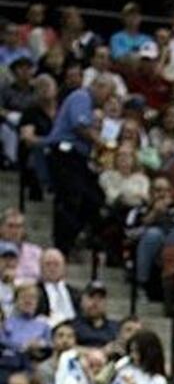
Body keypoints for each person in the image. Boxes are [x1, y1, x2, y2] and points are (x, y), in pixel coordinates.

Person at [46, 74, 113, 255]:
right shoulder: (81, 97)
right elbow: (79, 126)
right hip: (65, 153)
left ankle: (73, 237)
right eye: (108, 93)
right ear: (99, 87)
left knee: (93, 197)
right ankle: (62, 245)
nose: (108, 99)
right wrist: (102, 144)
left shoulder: (90, 105)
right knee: (70, 197)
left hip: (78, 157)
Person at [36, 248, 80, 325]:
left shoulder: (76, 293)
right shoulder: (35, 291)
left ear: (64, 267)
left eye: (56, 264)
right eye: (48, 264)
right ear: (41, 268)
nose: (52, 268)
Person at [72, 281, 119, 349]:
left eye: (100, 298)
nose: (95, 302)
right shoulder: (73, 326)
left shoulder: (116, 327)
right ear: (82, 301)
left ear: (106, 302)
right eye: (91, 297)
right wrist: (101, 352)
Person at [0, 209, 42, 282]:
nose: (14, 231)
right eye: (10, 226)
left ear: (23, 230)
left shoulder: (36, 252)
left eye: (19, 226)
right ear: (1, 228)